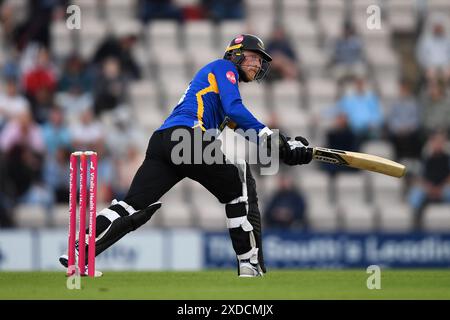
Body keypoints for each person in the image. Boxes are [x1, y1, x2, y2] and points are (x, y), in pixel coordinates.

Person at [59, 34, 313, 277]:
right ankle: (249, 266)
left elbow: (243, 127)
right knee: (239, 185)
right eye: (253, 57)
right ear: (234, 55)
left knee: (131, 204)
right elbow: (237, 111)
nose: (257, 64)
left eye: (260, 60)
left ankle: (79, 252)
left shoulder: (217, 91)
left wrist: (285, 145)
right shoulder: (224, 69)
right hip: (187, 138)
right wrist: (272, 137)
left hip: (163, 141)